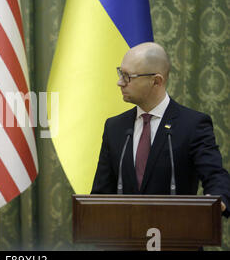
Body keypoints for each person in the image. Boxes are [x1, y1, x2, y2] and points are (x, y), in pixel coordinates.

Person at [91, 42, 229, 217]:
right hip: (125, 239)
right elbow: (100, 193)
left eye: (127, 77)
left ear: (156, 81)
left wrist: (219, 199)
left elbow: (215, 176)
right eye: (120, 73)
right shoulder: (115, 127)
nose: (120, 82)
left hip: (177, 236)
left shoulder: (193, 125)